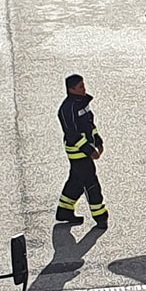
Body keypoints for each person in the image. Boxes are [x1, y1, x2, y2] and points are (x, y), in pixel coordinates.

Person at [56, 73, 107, 228]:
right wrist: (88, 150)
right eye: (80, 87)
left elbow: (90, 124)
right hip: (77, 152)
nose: (84, 89)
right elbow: (71, 134)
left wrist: (98, 140)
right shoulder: (66, 109)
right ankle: (101, 217)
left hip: (87, 149)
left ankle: (64, 211)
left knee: (76, 181)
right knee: (91, 183)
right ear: (71, 90)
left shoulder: (83, 103)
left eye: (83, 85)